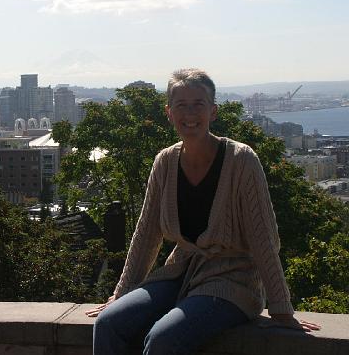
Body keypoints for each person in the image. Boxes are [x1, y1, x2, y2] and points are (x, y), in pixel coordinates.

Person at [87, 69, 320, 355]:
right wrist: (121, 294)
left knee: (163, 339)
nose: (190, 113)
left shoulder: (241, 161)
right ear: (169, 113)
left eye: (198, 104)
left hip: (233, 282)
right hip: (181, 273)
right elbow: (146, 234)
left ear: (213, 111)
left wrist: (281, 308)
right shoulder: (165, 162)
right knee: (109, 323)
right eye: (181, 105)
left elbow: (264, 239)